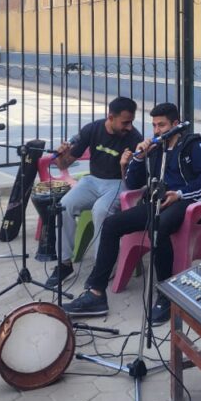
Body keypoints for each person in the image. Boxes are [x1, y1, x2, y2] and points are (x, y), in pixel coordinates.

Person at [63, 103, 201, 323]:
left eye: (161, 125)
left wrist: (180, 194)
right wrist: (137, 159)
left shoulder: (194, 145)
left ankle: (166, 295)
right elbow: (134, 183)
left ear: (175, 124)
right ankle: (96, 293)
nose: (156, 130)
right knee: (111, 224)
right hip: (157, 201)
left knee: (158, 227)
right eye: (154, 125)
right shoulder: (156, 149)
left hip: (187, 201)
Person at [50, 96, 143, 280]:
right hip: (92, 181)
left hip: (118, 183)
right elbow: (64, 165)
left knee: (101, 210)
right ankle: (64, 263)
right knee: (63, 206)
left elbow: (135, 180)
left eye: (131, 122)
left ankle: (102, 267)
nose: (129, 127)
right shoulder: (92, 129)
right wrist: (61, 155)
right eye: (125, 122)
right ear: (111, 117)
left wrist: (125, 165)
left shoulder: (134, 138)